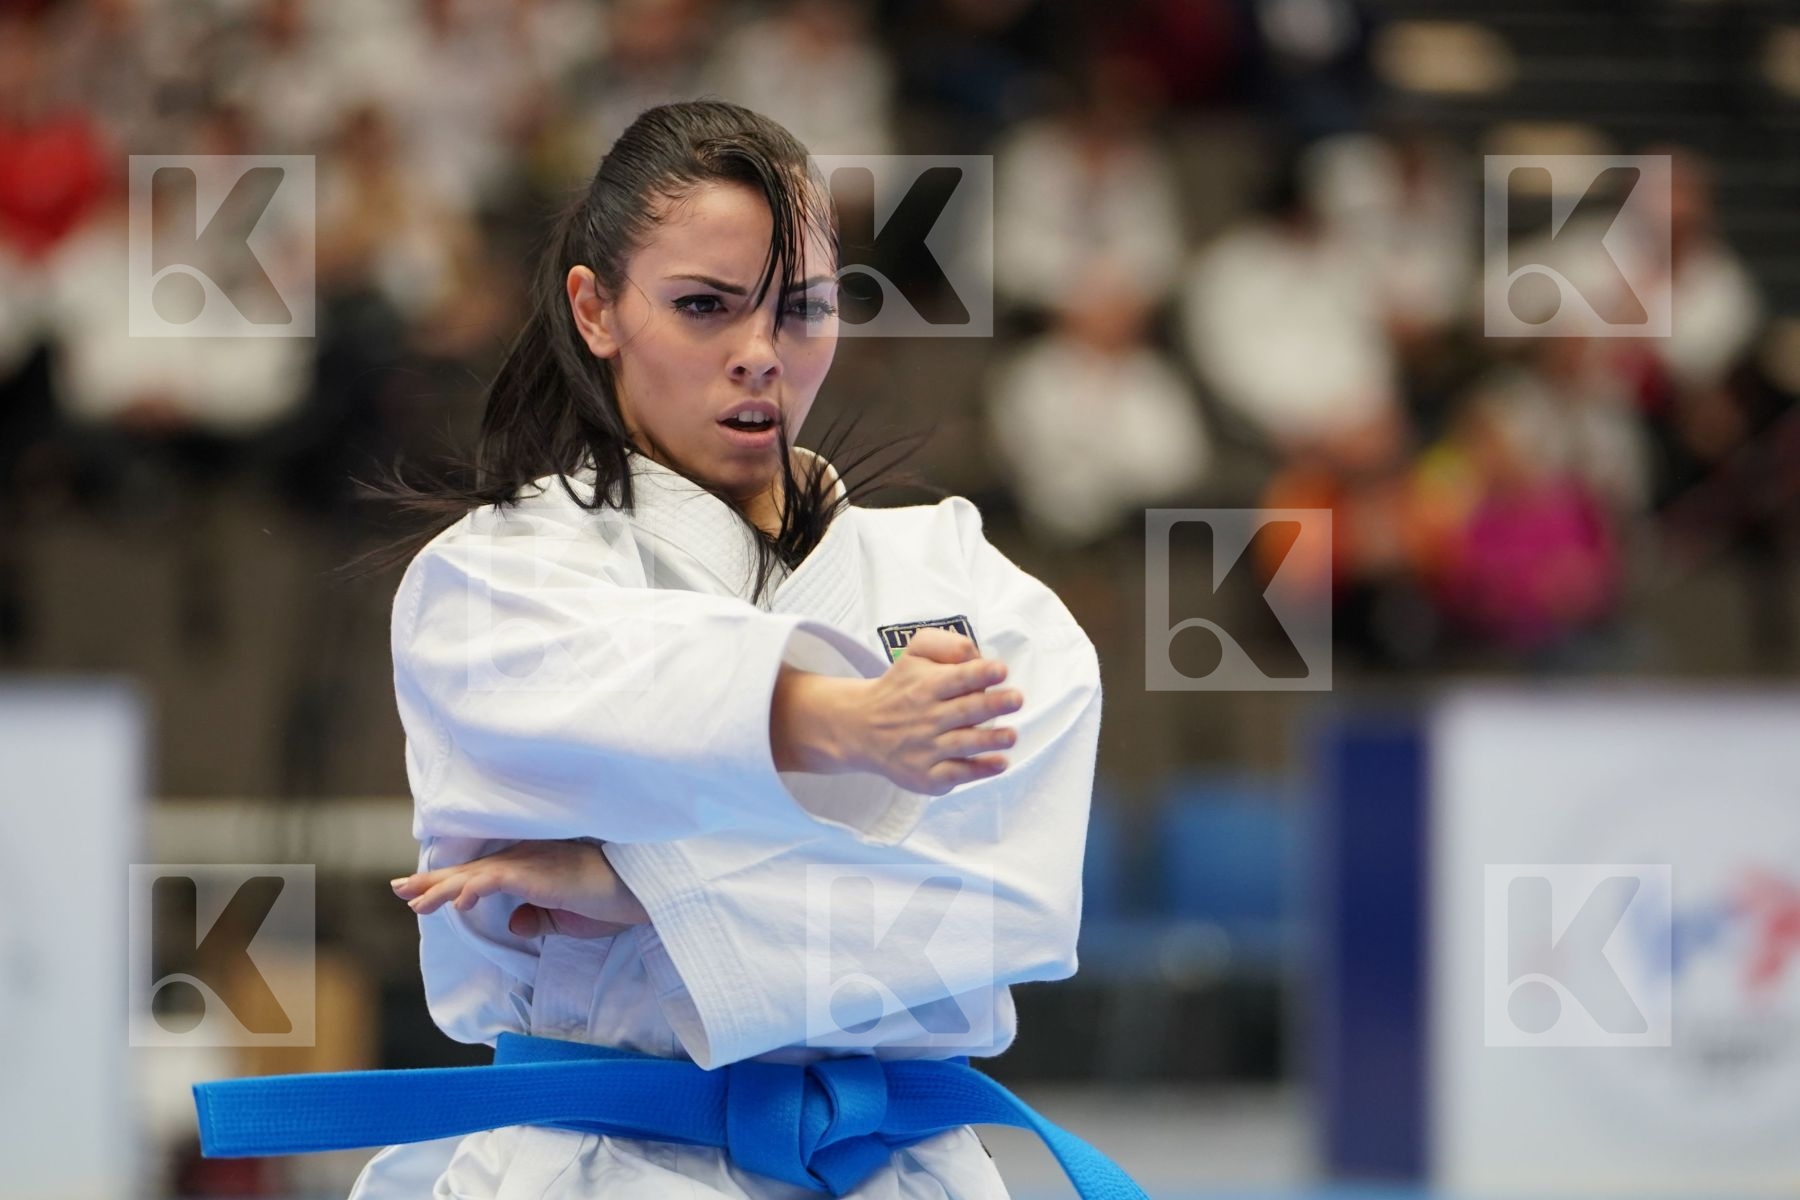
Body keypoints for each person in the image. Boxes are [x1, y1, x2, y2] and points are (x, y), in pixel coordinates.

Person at [192, 100, 1130, 1200]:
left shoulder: (967, 581)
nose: (759, 357)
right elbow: (646, 690)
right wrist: (851, 730)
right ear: (596, 309)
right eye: (703, 308)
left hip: (905, 1171)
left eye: (803, 310)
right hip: (600, 1164)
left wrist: (638, 880)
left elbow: (1013, 910)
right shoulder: (498, 580)